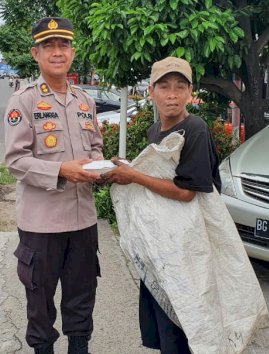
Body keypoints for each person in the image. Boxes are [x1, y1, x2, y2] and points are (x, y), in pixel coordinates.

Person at [102, 57, 221, 354]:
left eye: (180, 87)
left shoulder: (195, 129)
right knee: (163, 315)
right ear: (151, 91)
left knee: (184, 319)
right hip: (162, 242)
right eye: (164, 86)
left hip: (186, 244)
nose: (172, 94)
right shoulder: (156, 131)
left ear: (190, 93)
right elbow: (157, 176)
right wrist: (127, 169)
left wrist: (134, 175)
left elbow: (187, 193)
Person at [3, 17, 104, 354]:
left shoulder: (85, 101)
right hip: (42, 223)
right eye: (49, 46)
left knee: (81, 293)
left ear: (72, 52)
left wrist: (100, 165)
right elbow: (15, 160)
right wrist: (62, 169)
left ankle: (79, 347)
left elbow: (96, 146)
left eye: (63, 45)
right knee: (40, 298)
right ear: (36, 53)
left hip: (83, 220)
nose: (58, 52)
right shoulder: (25, 101)